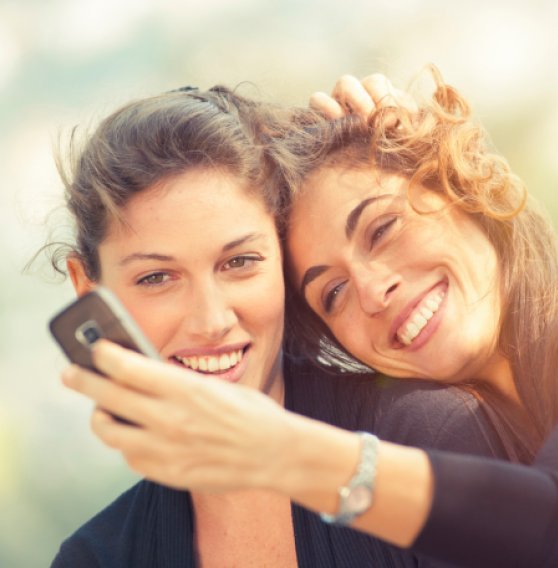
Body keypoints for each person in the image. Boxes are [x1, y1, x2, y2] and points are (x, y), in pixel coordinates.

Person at [63, 71, 558, 568]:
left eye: (382, 228)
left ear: (464, 187)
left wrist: (277, 451)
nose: (375, 289)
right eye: (331, 294)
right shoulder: (490, 451)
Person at [48, 84, 512, 567]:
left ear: (285, 259)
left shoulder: (426, 437)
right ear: (87, 287)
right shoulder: (96, 558)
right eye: (157, 277)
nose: (212, 321)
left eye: (240, 262)